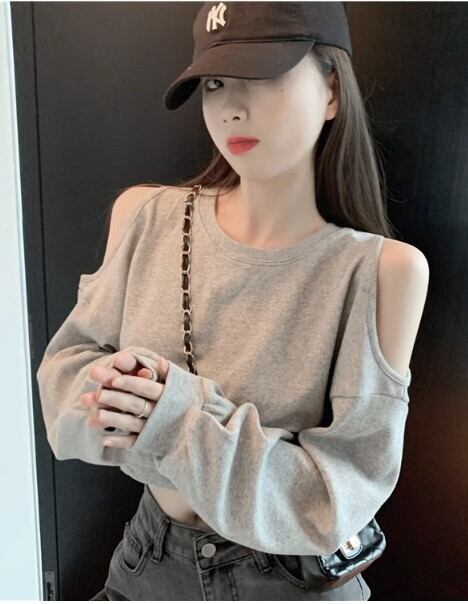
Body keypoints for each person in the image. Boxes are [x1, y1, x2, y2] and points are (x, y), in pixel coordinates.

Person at [36, 1, 429, 601]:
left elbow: (337, 497)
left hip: (286, 579)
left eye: (264, 75)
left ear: (331, 90)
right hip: (147, 562)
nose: (232, 108)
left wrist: (172, 416)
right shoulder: (144, 216)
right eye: (215, 83)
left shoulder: (381, 272)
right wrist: (108, 394)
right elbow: (64, 381)